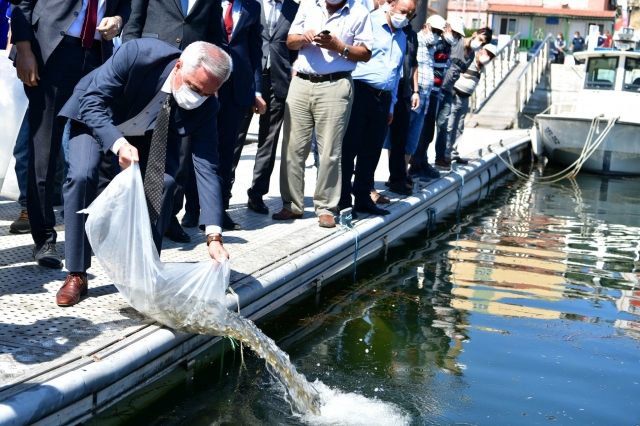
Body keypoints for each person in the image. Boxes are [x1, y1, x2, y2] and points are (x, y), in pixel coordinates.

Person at [58, 39, 230, 307]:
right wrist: (118, 143)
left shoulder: (207, 106)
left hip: (148, 134)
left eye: (207, 94)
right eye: (194, 88)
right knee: (82, 176)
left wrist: (214, 235)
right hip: (98, 118)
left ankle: (142, 274)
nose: (197, 98)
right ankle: (77, 273)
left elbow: (207, 165)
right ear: (179, 65)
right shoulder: (139, 54)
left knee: (164, 184)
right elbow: (92, 101)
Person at [10, 0, 131, 269]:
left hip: (97, 57)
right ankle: (44, 238)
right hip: (52, 53)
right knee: (45, 151)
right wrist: (24, 47)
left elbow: (125, 5)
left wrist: (118, 21)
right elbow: (22, 4)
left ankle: (90, 231)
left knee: (91, 152)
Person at [121, 0, 224, 243]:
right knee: (137, 145)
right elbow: (134, 22)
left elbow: (213, 35)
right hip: (153, 69)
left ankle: (167, 215)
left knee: (176, 152)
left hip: (193, 78)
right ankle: (128, 215)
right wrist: (132, 61)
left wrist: (212, 81)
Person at [273, 0, 373, 228]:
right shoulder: (308, 4)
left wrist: (339, 46)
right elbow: (290, 41)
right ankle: (291, 205)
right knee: (291, 147)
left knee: (330, 150)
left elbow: (366, 53)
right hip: (301, 82)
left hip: (335, 84)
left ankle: (326, 207)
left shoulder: (359, 11)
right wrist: (304, 37)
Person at [182, 0, 265, 231]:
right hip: (205, 83)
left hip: (236, 90)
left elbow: (255, 49)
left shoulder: (253, 7)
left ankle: (219, 211)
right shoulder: (209, 3)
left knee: (227, 152)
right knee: (195, 148)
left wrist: (257, 91)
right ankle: (192, 209)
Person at [339, 0, 415, 217]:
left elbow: (396, 71)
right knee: (349, 149)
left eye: (411, 15)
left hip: (384, 98)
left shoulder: (402, 36)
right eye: (403, 11)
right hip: (359, 91)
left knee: (371, 152)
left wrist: (391, 105)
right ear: (391, 5)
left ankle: (362, 198)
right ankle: (343, 200)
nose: (406, 17)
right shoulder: (368, 21)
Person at [232, 0, 300, 216]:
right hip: (248, 76)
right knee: (235, 136)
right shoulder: (251, 4)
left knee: (269, 141)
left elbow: (295, 49)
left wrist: (294, 69)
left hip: (278, 79)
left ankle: (257, 193)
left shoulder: (294, 9)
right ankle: (223, 192)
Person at [433, 24, 492, 169]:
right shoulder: (458, 44)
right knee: (447, 125)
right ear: (475, 34)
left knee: (458, 127)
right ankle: (442, 155)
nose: (480, 43)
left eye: (483, 43)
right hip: (450, 92)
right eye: (480, 39)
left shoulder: (472, 55)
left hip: (462, 97)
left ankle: (451, 154)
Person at [407, 17, 453, 182]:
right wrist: (415, 91)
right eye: (435, 31)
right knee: (409, 135)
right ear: (425, 26)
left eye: (439, 32)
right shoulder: (415, 40)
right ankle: (409, 169)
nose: (437, 35)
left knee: (423, 133)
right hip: (415, 95)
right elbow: (413, 67)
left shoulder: (432, 45)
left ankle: (417, 166)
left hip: (429, 95)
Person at [385, 15, 419, 197]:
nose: (406, 16)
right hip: (385, 87)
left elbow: (413, 64)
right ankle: (365, 185)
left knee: (400, 139)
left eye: (410, 13)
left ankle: (397, 178)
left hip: (404, 91)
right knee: (374, 140)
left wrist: (416, 90)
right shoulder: (385, 29)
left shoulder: (412, 35)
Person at [445, 43, 496, 162]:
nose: (488, 57)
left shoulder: (481, 67)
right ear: (482, 50)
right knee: (450, 125)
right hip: (455, 95)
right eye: (488, 53)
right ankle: (445, 154)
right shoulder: (470, 60)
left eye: (491, 56)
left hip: (465, 98)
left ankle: (454, 153)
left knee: (459, 127)